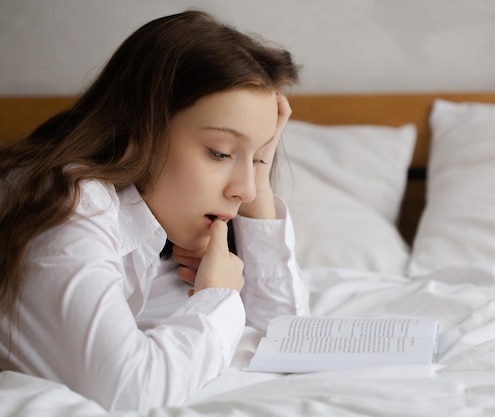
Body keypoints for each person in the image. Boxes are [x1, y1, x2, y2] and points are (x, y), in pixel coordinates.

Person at [0, 10, 309, 413]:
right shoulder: (67, 204)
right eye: (220, 152)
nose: (244, 190)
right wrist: (218, 296)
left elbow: (285, 335)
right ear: (141, 127)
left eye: (254, 160)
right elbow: (132, 391)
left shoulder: (152, 228)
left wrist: (260, 166)